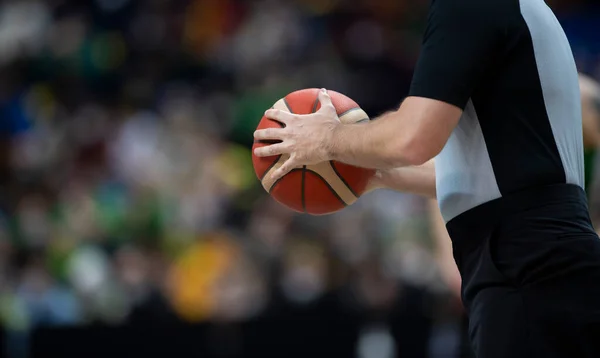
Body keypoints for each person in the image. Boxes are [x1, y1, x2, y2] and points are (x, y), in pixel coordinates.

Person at [254, 0, 600, 356]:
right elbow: (489, 176)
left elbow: (414, 138)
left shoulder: (466, 8)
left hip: (528, 262)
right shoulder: (518, 10)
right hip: (543, 257)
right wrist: (371, 171)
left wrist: (328, 139)